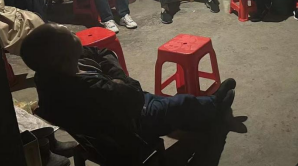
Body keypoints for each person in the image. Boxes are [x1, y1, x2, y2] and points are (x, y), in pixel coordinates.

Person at [20, 24, 237, 153]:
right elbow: (134, 93)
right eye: (69, 35)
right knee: (182, 102)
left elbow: (101, 52)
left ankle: (199, 116)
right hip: (131, 127)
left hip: (121, 106)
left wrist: (118, 81)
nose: (75, 34)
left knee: (165, 101)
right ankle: (216, 106)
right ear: (61, 58)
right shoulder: (86, 89)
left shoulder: (53, 72)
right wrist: (120, 79)